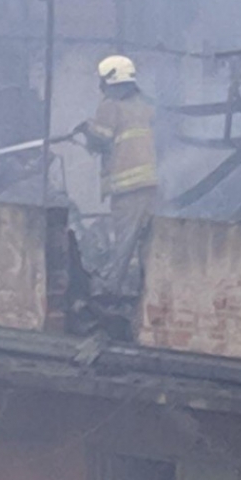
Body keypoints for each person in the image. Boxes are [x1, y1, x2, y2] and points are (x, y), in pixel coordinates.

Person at [73, 55, 158, 338]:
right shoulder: (142, 104)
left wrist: (86, 129)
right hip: (148, 182)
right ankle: (144, 287)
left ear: (109, 79)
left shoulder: (110, 105)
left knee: (125, 239)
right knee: (144, 238)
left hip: (127, 185)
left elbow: (101, 139)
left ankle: (110, 290)